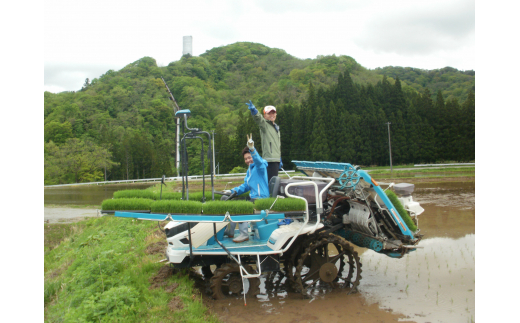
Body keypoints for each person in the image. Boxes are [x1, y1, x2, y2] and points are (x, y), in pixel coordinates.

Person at [223, 134, 270, 243]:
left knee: (241, 207)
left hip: (260, 198)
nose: (248, 160)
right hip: (253, 197)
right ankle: (230, 231)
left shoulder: (260, 167)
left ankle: (244, 234)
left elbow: (258, 161)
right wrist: (231, 191)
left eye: (250, 157)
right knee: (230, 201)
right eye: (246, 159)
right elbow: (245, 186)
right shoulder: (250, 170)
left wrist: (252, 149)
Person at [246, 100, 282, 183]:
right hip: (269, 159)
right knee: (270, 183)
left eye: (273, 113)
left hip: (276, 159)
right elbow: (258, 119)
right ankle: (269, 195)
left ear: (276, 114)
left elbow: (277, 145)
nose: (272, 115)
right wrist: (254, 111)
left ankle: (271, 195)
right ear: (265, 115)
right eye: (269, 113)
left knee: (274, 182)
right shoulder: (265, 125)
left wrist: (279, 158)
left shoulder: (276, 128)